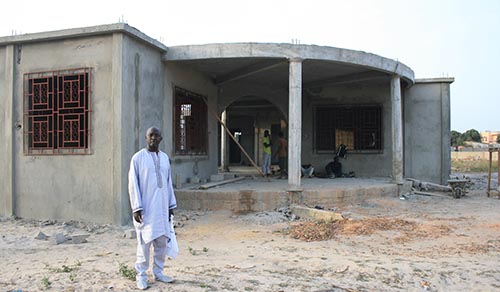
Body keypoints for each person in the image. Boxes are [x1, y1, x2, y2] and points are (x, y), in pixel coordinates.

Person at [128, 126, 177, 290]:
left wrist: (171, 205)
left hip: (162, 209)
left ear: (161, 139)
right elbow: (133, 184)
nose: (153, 138)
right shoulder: (138, 158)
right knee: (144, 243)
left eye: (157, 136)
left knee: (161, 243)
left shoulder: (164, 158)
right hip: (146, 210)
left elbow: (168, 183)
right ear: (146, 137)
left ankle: (159, 272)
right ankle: (141, 276)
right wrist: (136, 207)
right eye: (150, 135)